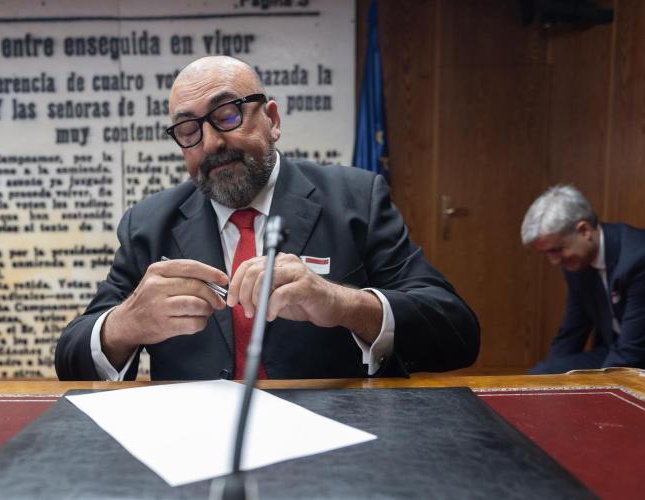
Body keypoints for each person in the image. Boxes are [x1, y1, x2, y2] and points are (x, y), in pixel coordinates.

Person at [55, 56, 480, 381]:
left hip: (334, 438)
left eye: (227, 114)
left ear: (272, 120)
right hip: (195, 444)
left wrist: (343, 304)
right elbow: (70, 357)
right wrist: (123, 325)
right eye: (189, 130)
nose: (211, 142)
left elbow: (456, 332)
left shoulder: (355, 199)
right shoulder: (148, 225)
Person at [521, 185, 645, 374]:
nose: (554, 261)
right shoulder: (576, 264)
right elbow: (572, 332)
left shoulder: (638, 258)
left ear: (584, 230)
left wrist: (596, 386)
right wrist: (548, 382)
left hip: (636, 355)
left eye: (557, 250)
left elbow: (632, 351)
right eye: (547, 253)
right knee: (542, 374)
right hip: (614, 351)